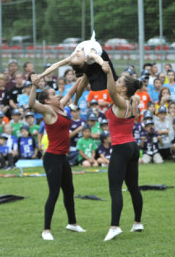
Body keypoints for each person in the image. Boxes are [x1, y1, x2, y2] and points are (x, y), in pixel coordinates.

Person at [29, 73, 85, 241]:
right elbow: (32, 103)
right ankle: (46, 230)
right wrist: (34, 85)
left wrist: (81, 77)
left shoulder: (60, 106)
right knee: (54, 193)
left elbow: (71, 91)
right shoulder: (48, 111)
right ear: (47, 100)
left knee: (69, 191)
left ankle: (72, 223)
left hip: (62, 157)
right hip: (52, 157)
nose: (57, 95)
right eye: (53, 94)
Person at [100, 62, 144, 241]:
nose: (115, 83)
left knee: (115, 188)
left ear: (124, 88)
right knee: (133, 187)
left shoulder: (121, 102)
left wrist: (109, 72)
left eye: (119, 82)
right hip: (132, 147)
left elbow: (111, 92)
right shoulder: (133, 100)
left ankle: (114, 226)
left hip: (121, 148)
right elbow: (136, 98)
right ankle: (137, 222)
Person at [37, 32, 118, 109]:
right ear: (85, 59)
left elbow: (56, 65)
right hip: (98, 58)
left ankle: (75, 103)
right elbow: (96, 57)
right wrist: (40, 76)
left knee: (113, 80)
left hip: (99, 58)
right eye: (77, 57)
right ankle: (75, 103)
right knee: (82, 83)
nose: (76, 53)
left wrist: (40, 76)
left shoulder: (75, 55)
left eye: (76, 56)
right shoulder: (90, 54)